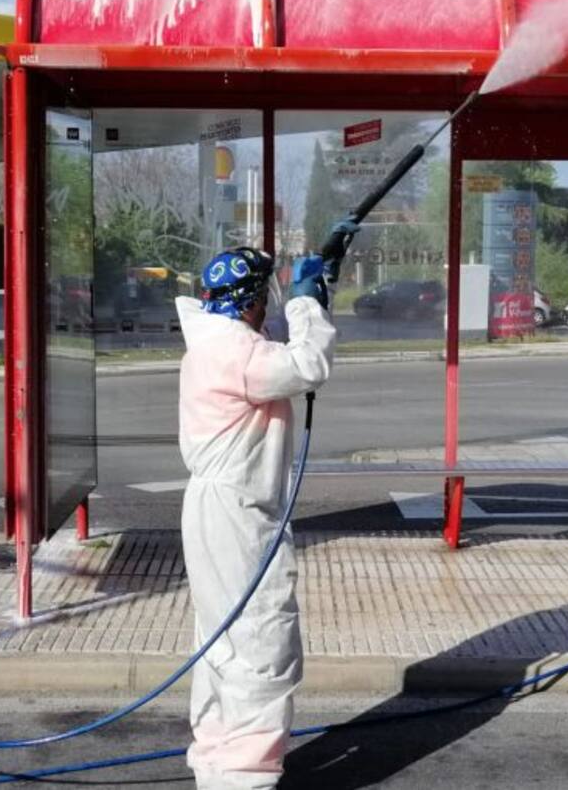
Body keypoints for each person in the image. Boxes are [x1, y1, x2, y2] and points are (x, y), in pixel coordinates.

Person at [174, 246, 337, 789]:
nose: (268, 307)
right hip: (239, 514)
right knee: (262, 643)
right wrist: (308, 302)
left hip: (217, 508)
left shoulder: (212, 343)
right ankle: (243, 778)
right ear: (250, 301)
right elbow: (307, 365)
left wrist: (311, 295)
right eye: (265, 297)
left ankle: (219, 767)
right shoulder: (237, 352)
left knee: (223, 641)